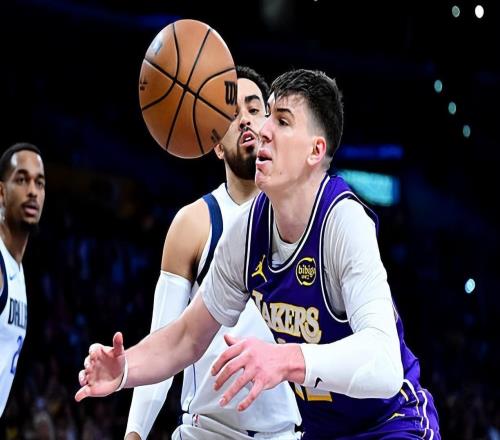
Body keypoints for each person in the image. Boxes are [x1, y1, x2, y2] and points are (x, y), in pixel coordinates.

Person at [76, 69, 441, 439]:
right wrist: (125, 369)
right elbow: (186, 338)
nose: (263, 129)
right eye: (269, 116)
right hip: (320, 432)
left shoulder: (343, 221)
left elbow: (385, 366)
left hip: (392, 423)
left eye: (282, 121)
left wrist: (286, 358)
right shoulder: (248, 231)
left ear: (315, 151)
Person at [124, 66, 301, 440]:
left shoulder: (307, 223)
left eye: (254, 109)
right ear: (217, 145)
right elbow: (163, 344)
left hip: (285, 433)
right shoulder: (194, 223)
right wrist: (135, 433)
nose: (245, 120)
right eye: (232, 115)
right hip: (207, 431)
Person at [0, 143, 46, 418]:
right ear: (1, 193)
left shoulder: (16, 266)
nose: (32, 191)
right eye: (21, 180)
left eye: (39, 183)